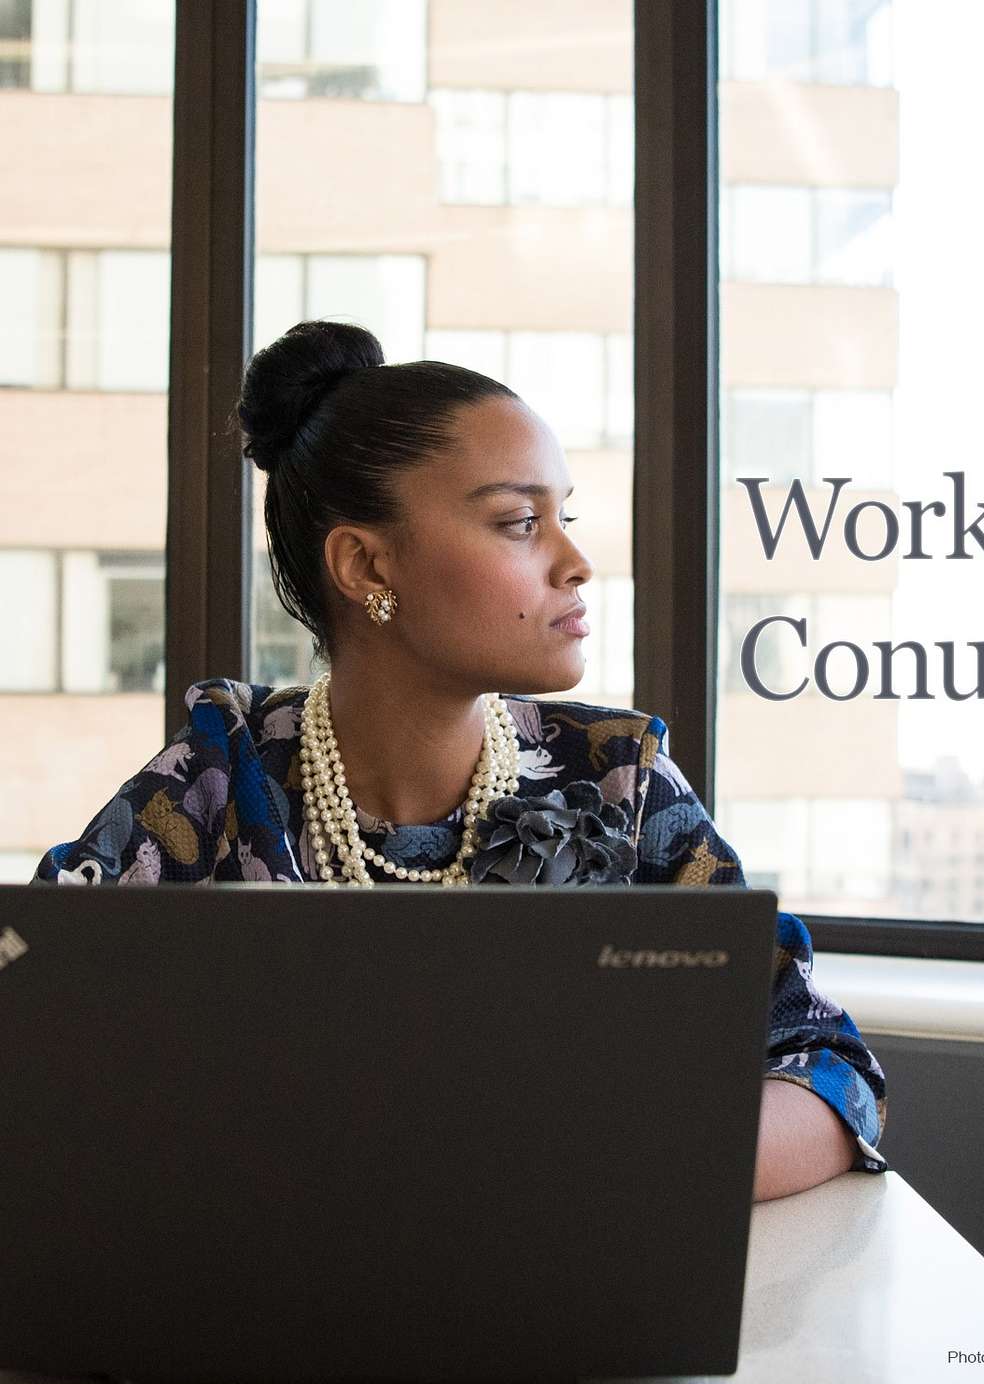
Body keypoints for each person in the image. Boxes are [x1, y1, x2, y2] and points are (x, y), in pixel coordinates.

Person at [31, 319, 888, 1201]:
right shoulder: (218, 777)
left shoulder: (617, 778)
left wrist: (584, 1167)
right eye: (520, 522)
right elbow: (34, 1016)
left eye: (564, 518)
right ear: (366, 566)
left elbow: (827, 1066)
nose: (577, 563)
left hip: (560, 1271)